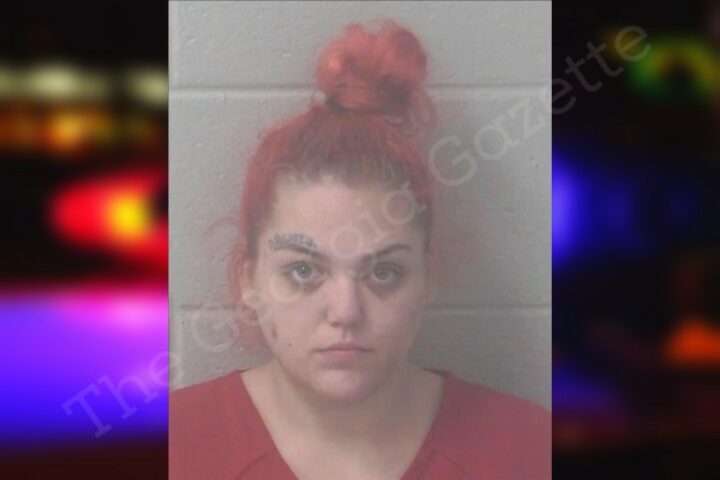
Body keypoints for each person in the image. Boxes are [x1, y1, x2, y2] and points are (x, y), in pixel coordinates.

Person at [170, 20, 550, 480]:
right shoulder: (172, 446)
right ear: (248, 279)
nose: (346, 312)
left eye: (384, 272)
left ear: (428, 277)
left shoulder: (529, 449)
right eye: (304, 271)